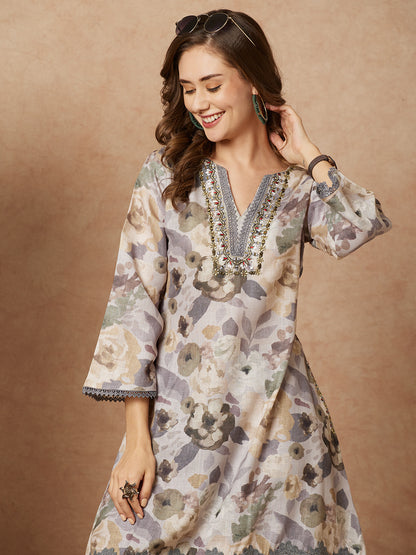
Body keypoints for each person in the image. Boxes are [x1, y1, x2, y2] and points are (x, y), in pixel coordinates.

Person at [82, 9, 391, 555]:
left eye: (213, 85)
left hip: (281, 430)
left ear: (253, 81)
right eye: (188, 89)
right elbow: (134, 304)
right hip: (183, 420)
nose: (199, 102)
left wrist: (309, 155)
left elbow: (359, 225)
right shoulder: (166, 175)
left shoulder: (298, 187)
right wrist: (137, 441)